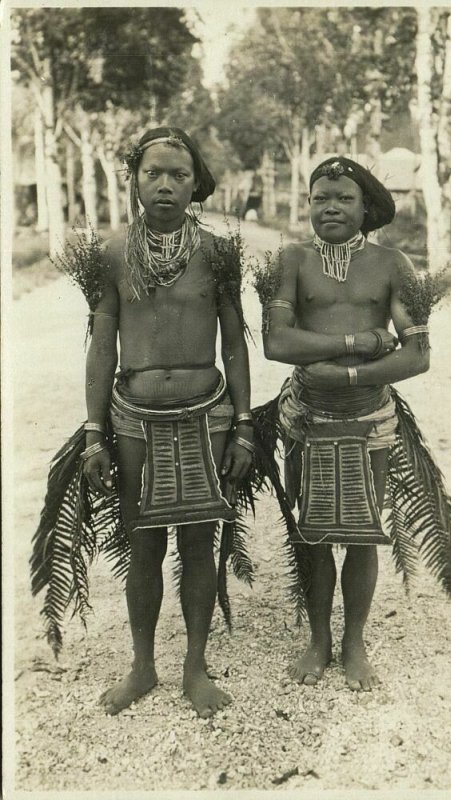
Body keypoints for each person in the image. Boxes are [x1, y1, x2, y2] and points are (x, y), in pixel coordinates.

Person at [81, 126, 253, 717]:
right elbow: (102, 347)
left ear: (195, 184)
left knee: (199, 543)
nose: (164, 185)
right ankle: (142, 665)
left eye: (178, 175)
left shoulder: (216, 252)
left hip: (208, 415)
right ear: (133, 180)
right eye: (153, 172)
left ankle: (195, 665)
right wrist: (93, 432)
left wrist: (247, 424)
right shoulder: (109, 253)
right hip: (134, 420)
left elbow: (235, 345)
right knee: (145, 541)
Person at [262, 155, 431, 692]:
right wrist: (356, 342)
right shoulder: (290, 260)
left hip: (368, 419)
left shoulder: (391, 264)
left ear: (367, 208)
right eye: (320, 198)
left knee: (362, 533)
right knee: (311, 530)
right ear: (307, 204)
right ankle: (318, 640)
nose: (330, 207)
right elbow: (277, 342)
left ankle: (354, 642)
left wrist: (352, 375)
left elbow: (418, 353)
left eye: (344, 199)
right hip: (305, 416)